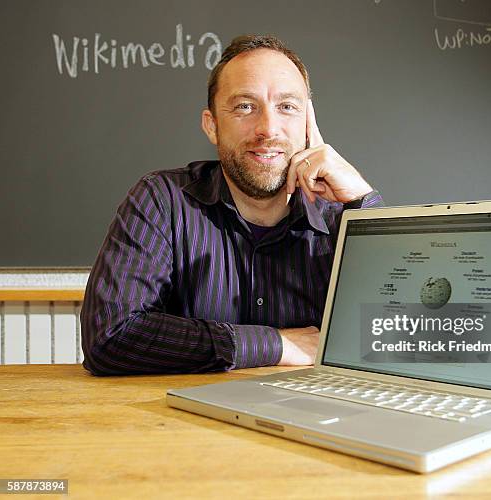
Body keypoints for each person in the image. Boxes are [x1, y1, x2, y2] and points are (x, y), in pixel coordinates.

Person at [81, 34, 383, 375]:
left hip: (315, 419)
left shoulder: (343, 215)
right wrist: (276, 344)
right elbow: (110, 336)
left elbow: (413, 342)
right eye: (245, 107)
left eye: (287, 107)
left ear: (308, 126)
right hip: (182, 421)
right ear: (212, 126)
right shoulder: (161, 201)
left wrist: (364, 203)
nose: (268, 128)